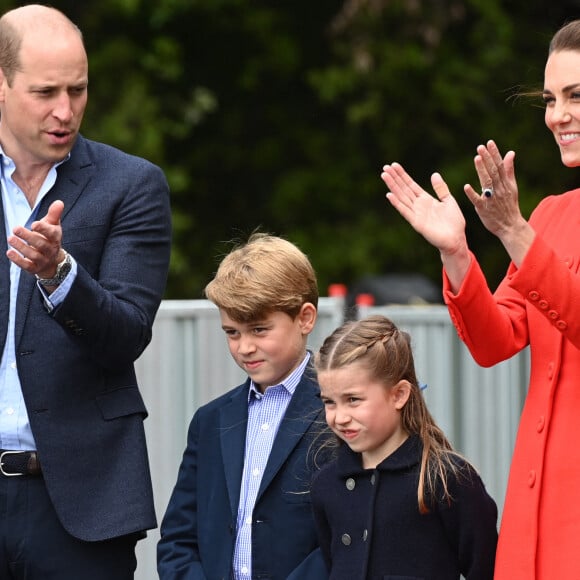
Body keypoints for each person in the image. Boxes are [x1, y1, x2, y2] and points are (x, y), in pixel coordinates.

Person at [380, 19, 580, 579]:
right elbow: (496, 342)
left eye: (576, 95)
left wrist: (514, 233)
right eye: (549, 99)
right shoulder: (552, 215)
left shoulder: (529, 225)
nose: (556, 115)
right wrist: (457, 252)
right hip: (534, 518)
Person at [0, 4, 172, 579]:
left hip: (79, 502)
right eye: (45, 91)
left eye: (78, 89)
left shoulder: (132, 185)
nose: (65, 110)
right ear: (0, 85)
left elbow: (125, 335)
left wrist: (59, 275)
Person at [157, 233, 330, 580]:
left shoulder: (340, 414)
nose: (244, 347)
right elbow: (178, 538)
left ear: (305, 318)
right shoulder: (210, 421)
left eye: (259, 329)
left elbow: (350, 537)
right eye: (232, 332)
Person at [310, 314, 498, 579]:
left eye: (353, 400)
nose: (339, 417)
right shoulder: (326, 486)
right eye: (329, 402)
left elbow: (489, 569)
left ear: (398, 395)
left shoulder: (448, 479)